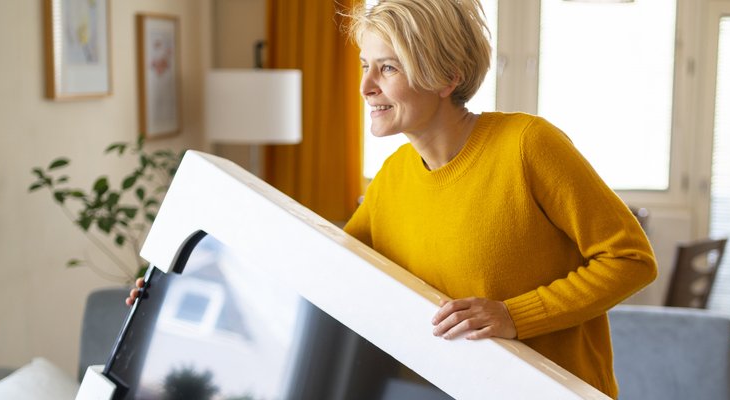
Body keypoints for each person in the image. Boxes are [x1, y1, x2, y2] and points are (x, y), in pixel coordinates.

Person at [129, 0, 656, 396]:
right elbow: (311, 277)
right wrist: (169, 285)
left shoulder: (527, 146)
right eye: (365, 64)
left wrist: (516, 315)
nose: (365, 87)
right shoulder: (393, 178)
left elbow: (631, 259)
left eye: (388, 67)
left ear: (447, 75)